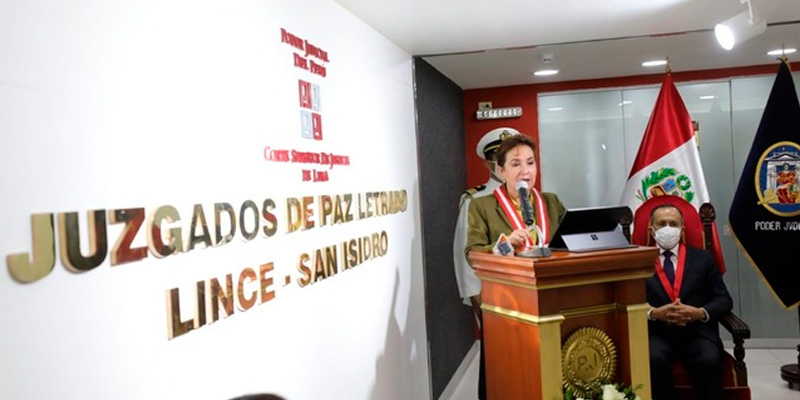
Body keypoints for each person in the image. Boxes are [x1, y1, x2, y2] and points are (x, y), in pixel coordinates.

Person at [464, 133, 566, 400]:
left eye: (531, 163)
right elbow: (472, 252)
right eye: (516, 164)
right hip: (508, 303)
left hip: (553, 299)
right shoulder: (482, 206)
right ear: (501, 170)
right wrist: (504, 244)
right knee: (510, 375)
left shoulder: (552, 202)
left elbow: (568, 244)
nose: (525, 171)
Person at [646, 204, 733, 400]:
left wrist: (700, 312)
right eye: (661, 224)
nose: (668, 228)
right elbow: (628, 302)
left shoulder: (703, 258)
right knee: (653, 359)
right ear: (651, 229)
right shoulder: (636, 260)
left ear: (682, 230)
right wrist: (654, 313)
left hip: (697, 332)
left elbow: (724, 299)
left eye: (673, 224)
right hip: (657, 333)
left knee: (708, 359)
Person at [453, 127, 519, 317]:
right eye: (500, 160)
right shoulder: (475, 201)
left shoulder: (528, 198)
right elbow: (465, 253)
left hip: (527, 287)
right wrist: (474, 294)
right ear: (490, 165)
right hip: (492, 292)